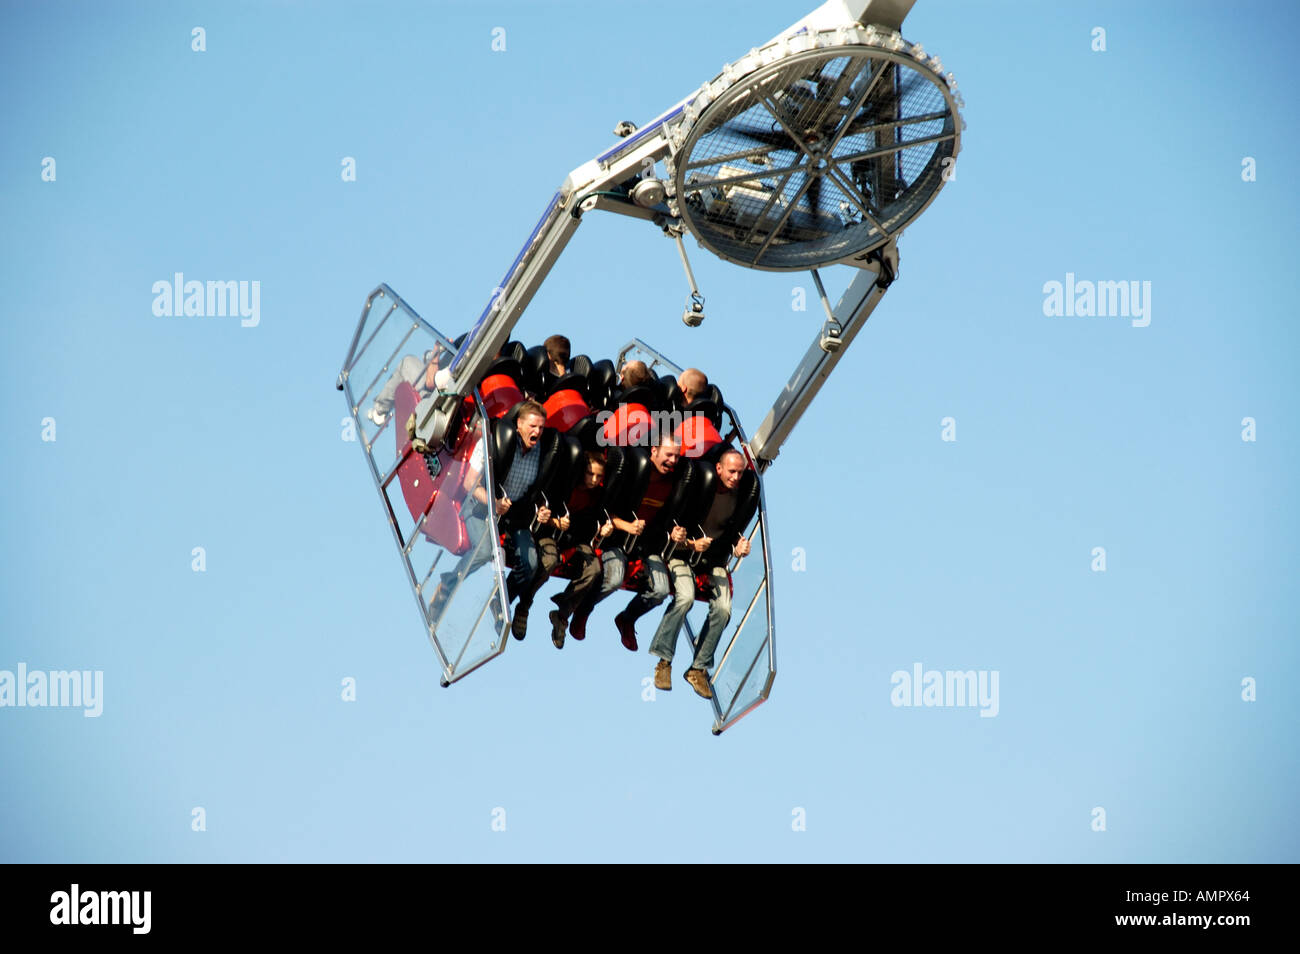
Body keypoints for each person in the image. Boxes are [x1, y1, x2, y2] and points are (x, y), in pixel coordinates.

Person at [429, 401, 551, 637]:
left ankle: (500, 600)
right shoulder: (493, 442)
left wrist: (541, 510)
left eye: (541, 428)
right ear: (519, 425)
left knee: (531, 564)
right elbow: (469, 484)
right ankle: (447, 585)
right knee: (484, 552)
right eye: (533, 426)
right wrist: (493, 503)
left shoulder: (540, 453)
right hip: (480, 506)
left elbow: (536, 493)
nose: (537, 432)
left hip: (513, 514)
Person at [646, 449, 752, 698]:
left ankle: (698, 668)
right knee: (685, 597)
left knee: (724, 608)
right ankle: (664, 661)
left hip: (713, 556)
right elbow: (673, 530)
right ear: (718, 469)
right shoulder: (698, 489)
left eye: (740, 473)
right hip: (682, 552)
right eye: (731, 471)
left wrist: (738, 547)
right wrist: (691, 543)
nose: (736, 477)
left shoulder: (742, 497)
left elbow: (733, 534)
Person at [569, 434, 686, 651]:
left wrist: (675, 532)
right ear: (654, 451)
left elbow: (668, 518)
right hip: (618, 539)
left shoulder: (673, 483)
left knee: (660, 590)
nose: (672, 460)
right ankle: (583, 610)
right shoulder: (633, 474)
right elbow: (605, 511)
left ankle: (627, 619)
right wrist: (627, 526)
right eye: (668, 454)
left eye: (677, 457)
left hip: (647, 544)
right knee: (614, 579)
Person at [525, 451, 613, 649]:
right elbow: (545, 511)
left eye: (599, 476)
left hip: (574, 538)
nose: (595, 480)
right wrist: (556, 522)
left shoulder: (596, 495)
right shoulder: (565, 485)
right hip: (549, 533)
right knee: (550, 560)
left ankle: (562, 614)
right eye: (591, 474)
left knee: (594, 570)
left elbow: (589, 523)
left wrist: (600, 530)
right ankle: (525, 603)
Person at [369, 345, 447, 426]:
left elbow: (430, 382)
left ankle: (380, 409)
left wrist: (436, 352)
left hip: (433, 401)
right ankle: (380, 408)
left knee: (406, 362)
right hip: (443, 392)